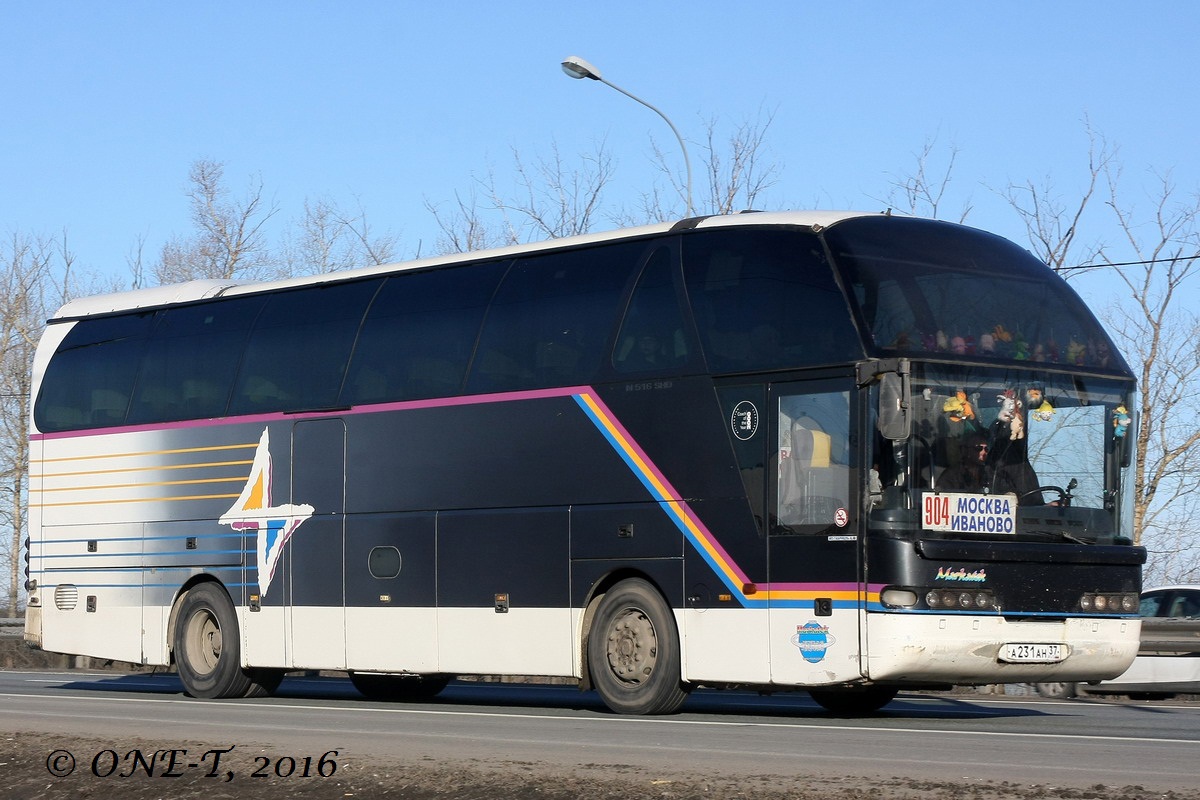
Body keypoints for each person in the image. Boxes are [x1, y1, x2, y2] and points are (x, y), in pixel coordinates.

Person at [938, 432, 1045, 503]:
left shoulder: (992, 473)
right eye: (978, 448)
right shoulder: (951, 476)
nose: (983, 452)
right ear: (965, 451)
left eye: (986, 449)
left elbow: (1007, 493)